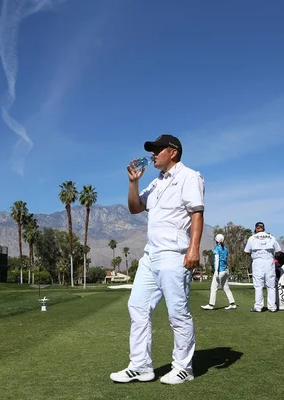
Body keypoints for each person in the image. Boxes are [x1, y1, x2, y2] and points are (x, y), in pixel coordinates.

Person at [110, 134, 205, 385]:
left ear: (173, 152)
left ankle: (184, 368)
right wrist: (133, 183)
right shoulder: (156, 182)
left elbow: (196, 213)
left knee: (177, 313)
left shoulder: (189, 176)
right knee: (137, 307)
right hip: (151, 255)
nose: (153, 154)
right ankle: (141, 366)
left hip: (174, 255)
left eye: (158, 150)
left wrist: (193, 249)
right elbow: (134, 207)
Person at [244, 222, 281, 312]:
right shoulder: (271, 237)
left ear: (256, 229)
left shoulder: (252, 238)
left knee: (258, 286)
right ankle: (272, 307)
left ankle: (258, 307)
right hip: (269, 262)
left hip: (257, 262)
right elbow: (278, 251)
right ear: (264, 228)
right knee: (271, 286)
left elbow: (247, 251)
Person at [201, 234, 237, 310]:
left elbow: (217, 261)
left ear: (216, 241)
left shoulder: (217, 249)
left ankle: (211, 305)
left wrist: (216, 271)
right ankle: (232, 304)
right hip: (226, 270)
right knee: (226, 287)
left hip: (220, 271)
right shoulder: (225, 249)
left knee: (213, 288)